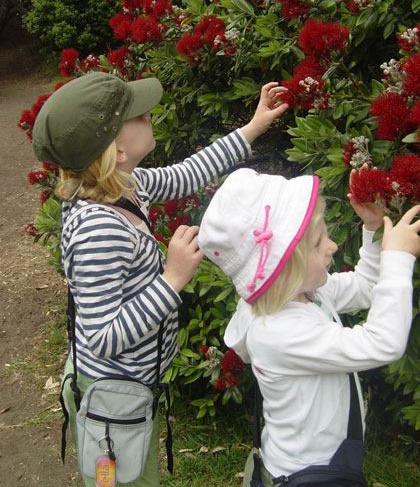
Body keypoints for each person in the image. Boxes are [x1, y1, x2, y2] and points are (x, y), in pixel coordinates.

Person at [31, 71, 289, 487]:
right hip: (113, 396)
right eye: (136, 114)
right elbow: (103, 335)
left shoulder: (123, 186)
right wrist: (172, 279)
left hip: (133, 384)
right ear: (115, 149)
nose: (148, 112)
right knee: (128, 478)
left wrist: (254, 126)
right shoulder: (100, 228)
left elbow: (187, 173)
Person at [198, 167, 420, 486]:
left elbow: (367, 285)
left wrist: (372, 229)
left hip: (318, 459)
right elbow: (384, 343)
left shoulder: (304, 293)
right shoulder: (279, 331)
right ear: (282, 266)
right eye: (318, 242)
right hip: (311, 473)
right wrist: (398, 260)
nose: (331, 246)